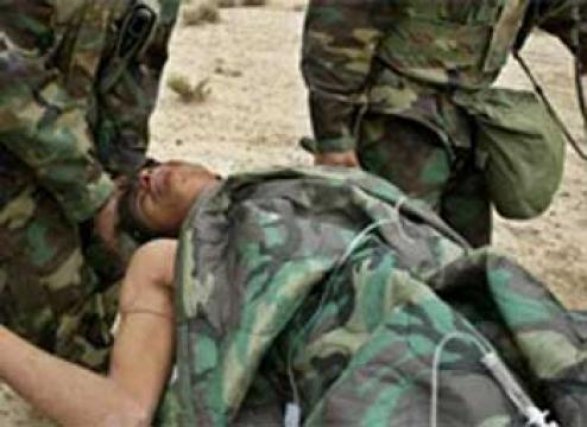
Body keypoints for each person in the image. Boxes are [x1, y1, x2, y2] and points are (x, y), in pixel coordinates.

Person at [2, 160, 587, 426]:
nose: (147, 176)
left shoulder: (300, 182)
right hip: (386, 359)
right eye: (138, 200)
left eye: (146, 167)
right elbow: (122, 414)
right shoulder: (170, 260)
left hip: (473, 310)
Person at [301, 0, 587, 248]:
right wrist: (333, 139)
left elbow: (567, 9)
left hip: (469, 116)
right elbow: (338, 27)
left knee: (463, 257)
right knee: (397, 251)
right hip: (396, 122)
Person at [0, 0, 180, 369]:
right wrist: (92, 189)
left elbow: (137, 72)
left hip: (68, 156)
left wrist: (121, 187)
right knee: (64, 340)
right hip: (23, 150)